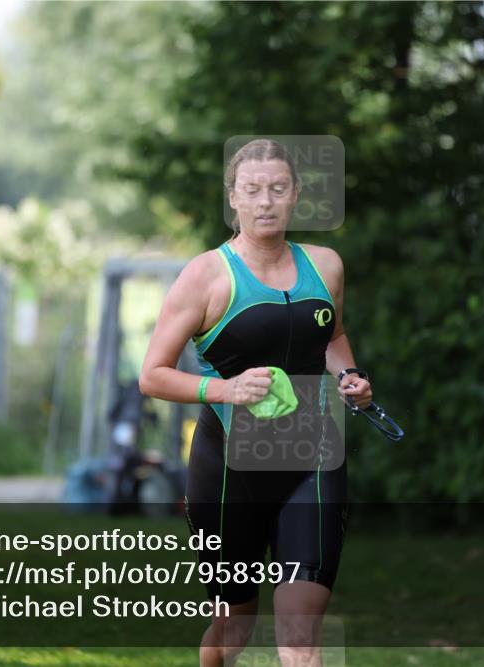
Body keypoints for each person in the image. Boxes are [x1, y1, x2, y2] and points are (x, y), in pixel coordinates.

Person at [139, 138, 372, 667]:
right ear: (234, 199)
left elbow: (332, 337)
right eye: (253, 190)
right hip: (228, 473)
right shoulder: (206, 276)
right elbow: (151, 376)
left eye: (277, 189)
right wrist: (225, 389)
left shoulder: (326, 266)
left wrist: (351, 376)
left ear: (295, 197)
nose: (265, 201)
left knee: (299, 636)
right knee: (233, 626)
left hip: (312, 461)